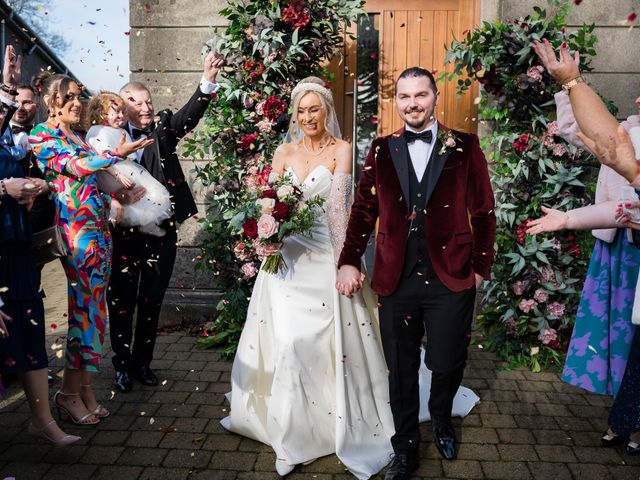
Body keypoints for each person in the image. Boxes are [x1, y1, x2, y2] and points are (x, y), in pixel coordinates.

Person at [220, 77, 479, 478]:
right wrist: (267, 237)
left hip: (351, 258)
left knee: (431, 360)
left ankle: (436, 420)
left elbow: (346, 212)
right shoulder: (302, 151)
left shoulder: (349, 149)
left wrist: (348, 261)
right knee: (294, 345)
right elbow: (282, 205)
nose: (308, 117)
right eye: (302, 110)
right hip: (297, 263)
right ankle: (300, 438)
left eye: (315, 109)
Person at [336, 67, 496, 479]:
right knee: (401, 369)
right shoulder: (380, 148)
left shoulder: (465, 146)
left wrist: (479, 267)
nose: (412, 104)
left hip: (452, 275)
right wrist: (349, 259)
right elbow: (363, 210)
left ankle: (441, 417)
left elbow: (483, 210)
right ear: (397, 102)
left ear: (435, 97)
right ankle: (405, 447)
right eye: (404, 97)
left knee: (446, 361)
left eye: (420, 95)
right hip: (396, 276)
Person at [532, 39, 640, 455]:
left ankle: (632, 425)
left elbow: (631, 206)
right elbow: (576, 131)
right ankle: (623, 414)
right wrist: (566, 87)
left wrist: (570, 218)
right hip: (613, 248)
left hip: (635, 249)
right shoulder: (626, 131)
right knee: (617, 336)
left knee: (635, 338)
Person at [29, 71, 151, 425]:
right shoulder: (43, 136)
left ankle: (84, 389)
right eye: (73, 97)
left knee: (96, 314)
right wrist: (117, 153)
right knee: (83, 314)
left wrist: (119, 192)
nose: (80, 104)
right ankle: (68, 393)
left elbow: (94, 180)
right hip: (77, 235)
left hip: (100, 231)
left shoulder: (78, 136)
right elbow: (75, 167)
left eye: (80, 97)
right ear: (54, 101)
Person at [108, 50, 223, 393]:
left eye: (148, 102)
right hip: (124, 236)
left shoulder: (163, 130)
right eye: (135, 103)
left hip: (161, 234)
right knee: (122, 301)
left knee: (151, 301)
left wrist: (208, 80)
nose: (144, 108)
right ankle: (121, 365)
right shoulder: (108, 139)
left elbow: (188, 117)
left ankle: (143, 363)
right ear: (121, 105)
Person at [0, 46, 80, 447]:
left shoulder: (10, 137)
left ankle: (43, 421)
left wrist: (34, 187)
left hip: (15, 244)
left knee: (30, 326)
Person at [85, 91, 171, 236]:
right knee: (146, 193)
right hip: (112, 173)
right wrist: (117, 174)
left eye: (122, 112)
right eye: (116, 112)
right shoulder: (97, 131)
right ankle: (131, 221)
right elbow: (100, 158)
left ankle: (147, 223)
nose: (121, 116)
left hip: (126, 168)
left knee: (150, 193)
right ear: (102, 114)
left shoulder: (119, 131)